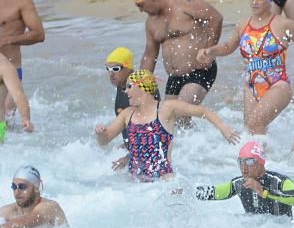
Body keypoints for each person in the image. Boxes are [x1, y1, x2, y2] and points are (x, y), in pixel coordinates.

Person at [197, 0, 294, 134]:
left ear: (269, 0)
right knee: (251, 129)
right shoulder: (242, 25)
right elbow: (228, 46)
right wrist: (210, 51)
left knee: (254, 124)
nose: (254, 2)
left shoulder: (284, 24)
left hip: (278, 85)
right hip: (251, 86)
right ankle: (266, 157)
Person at [94, 70, 239, 181]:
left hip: (162, 182)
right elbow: (104, 140)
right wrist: (100, 134)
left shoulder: (166, 109)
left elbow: (204, 112)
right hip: (135, 184)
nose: (126, 91)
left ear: (142, 86)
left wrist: (224, 129)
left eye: (129, 87)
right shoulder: (127, 114)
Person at [131, 0, 223, 104]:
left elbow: (215, 18)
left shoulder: (182, 1)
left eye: (141, 5)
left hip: (200, 70)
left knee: (180, 112)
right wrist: (140, 85)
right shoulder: (151, 22)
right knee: (168, 120)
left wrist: (210, 52)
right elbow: (150, 55)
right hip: (174, 77)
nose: (141, 10)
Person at [196, 141, 294, 216]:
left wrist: (263, 192)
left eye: (249, 162)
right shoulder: (239, 183)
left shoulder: (277, 181)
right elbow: (210, 193)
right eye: (240, 161)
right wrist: (182, 191)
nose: (243, 167)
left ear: (261, 163)